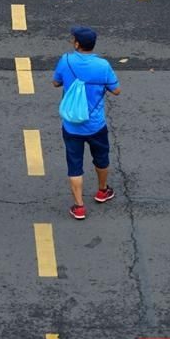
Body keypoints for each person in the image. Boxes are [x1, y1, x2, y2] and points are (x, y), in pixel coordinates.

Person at [52, 26, 121, 220]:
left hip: (71, 125)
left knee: (74, 165)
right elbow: (116, 90)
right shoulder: (103, 65)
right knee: (101, 158)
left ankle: (79, 206)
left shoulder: (66, 60)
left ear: (77, 44)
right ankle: (102, 191)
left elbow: (56, 82)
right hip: (96, 125)